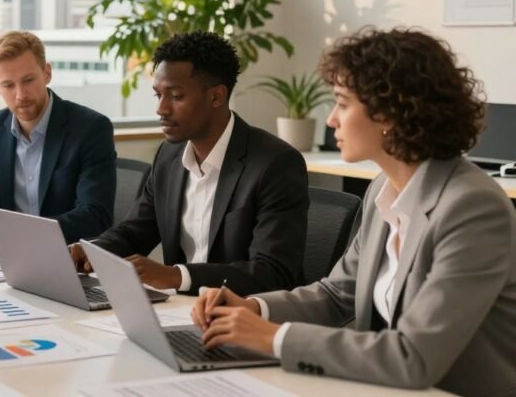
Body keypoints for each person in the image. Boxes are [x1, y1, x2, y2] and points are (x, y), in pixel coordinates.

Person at [192, 28, 516, 397]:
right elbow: (336, 295)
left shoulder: (472, 208)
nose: (331, 120)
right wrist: (254, 308)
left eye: (343, 103)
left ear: (392, 112)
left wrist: (275, 338)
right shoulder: (384, 188)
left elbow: (415, 357)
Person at [69, 31, 309, 295]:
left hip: (241, 317)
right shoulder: (169, 157)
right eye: (158, 95)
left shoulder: (274, 164)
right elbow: (136, 231)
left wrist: (176, 276)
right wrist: (92, 248)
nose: (161, 109)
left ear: (217, 96)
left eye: (176, 96)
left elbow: (272, 272)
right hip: (180, 310)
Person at [0, 31, 116, 244]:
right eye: (8, 85)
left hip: (67, 255)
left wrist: (20, 232)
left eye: (28, 80)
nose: (20, 95)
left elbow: (95, 216)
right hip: (6, 256)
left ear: (47, 73)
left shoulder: (90, 128)